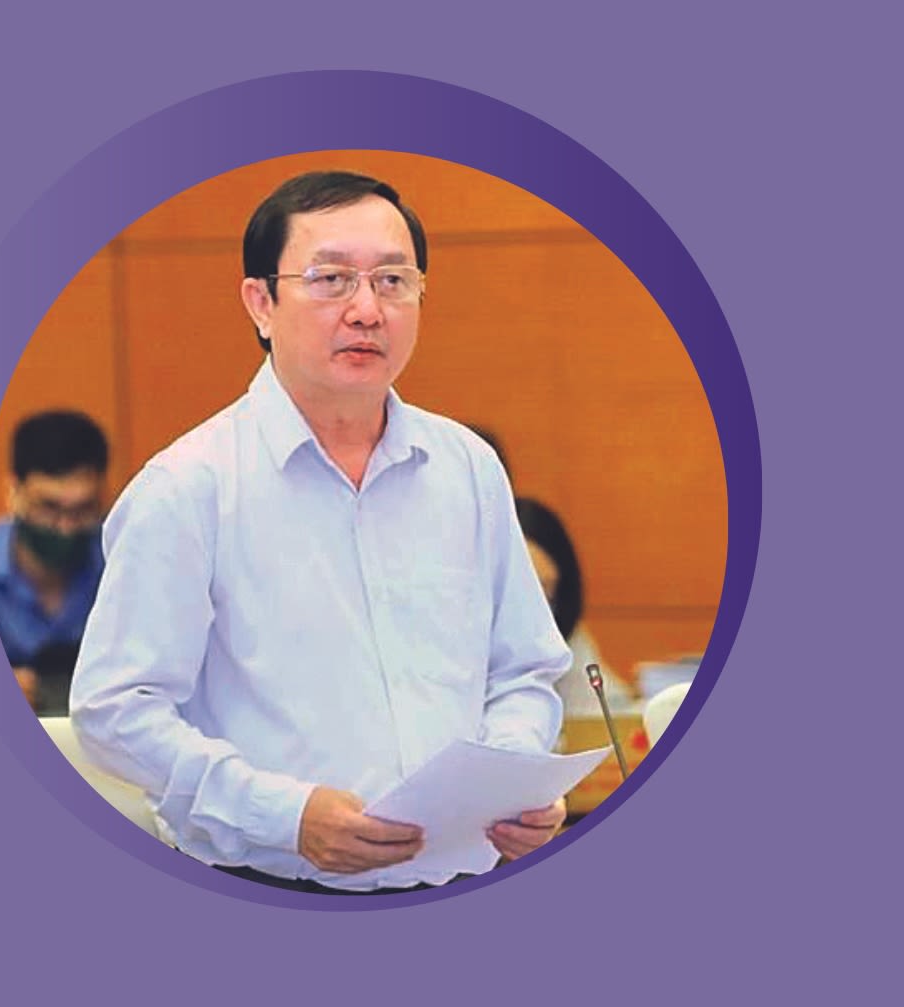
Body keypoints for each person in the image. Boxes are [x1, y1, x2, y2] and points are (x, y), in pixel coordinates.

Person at [70, 171, 570, 895]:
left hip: (460, 876)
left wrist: (510, 776)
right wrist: (284, 814)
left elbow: (522, 670)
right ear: (261, 303)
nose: (367, 310)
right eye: (331, 279)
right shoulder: (189, 486)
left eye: (393, 281)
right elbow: (115, 710)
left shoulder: (467, 468)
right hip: (263, 883)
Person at [0, 410, 109, 715]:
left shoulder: (121, 561)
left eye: (82, 509)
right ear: (13, 492)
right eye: (49, 507)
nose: (65, 527)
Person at [515, 497, 632, 718]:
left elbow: (604, 708)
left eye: (547, 591)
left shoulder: (565, 632)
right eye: (526, 589)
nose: (539, 609)